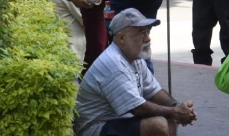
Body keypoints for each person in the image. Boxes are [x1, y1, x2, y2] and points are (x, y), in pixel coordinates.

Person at [73, 8, 197, 136]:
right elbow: (138, 108)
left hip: (116, 121)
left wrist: (177, 106)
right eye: (141, 33)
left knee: (169, 114)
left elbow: (154, 91)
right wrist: (175, 111)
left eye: (148, 32)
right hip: (94, 128)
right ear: (122, 38)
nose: (148, 38)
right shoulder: (114, 63)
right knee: (158, 124)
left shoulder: (134, 57)